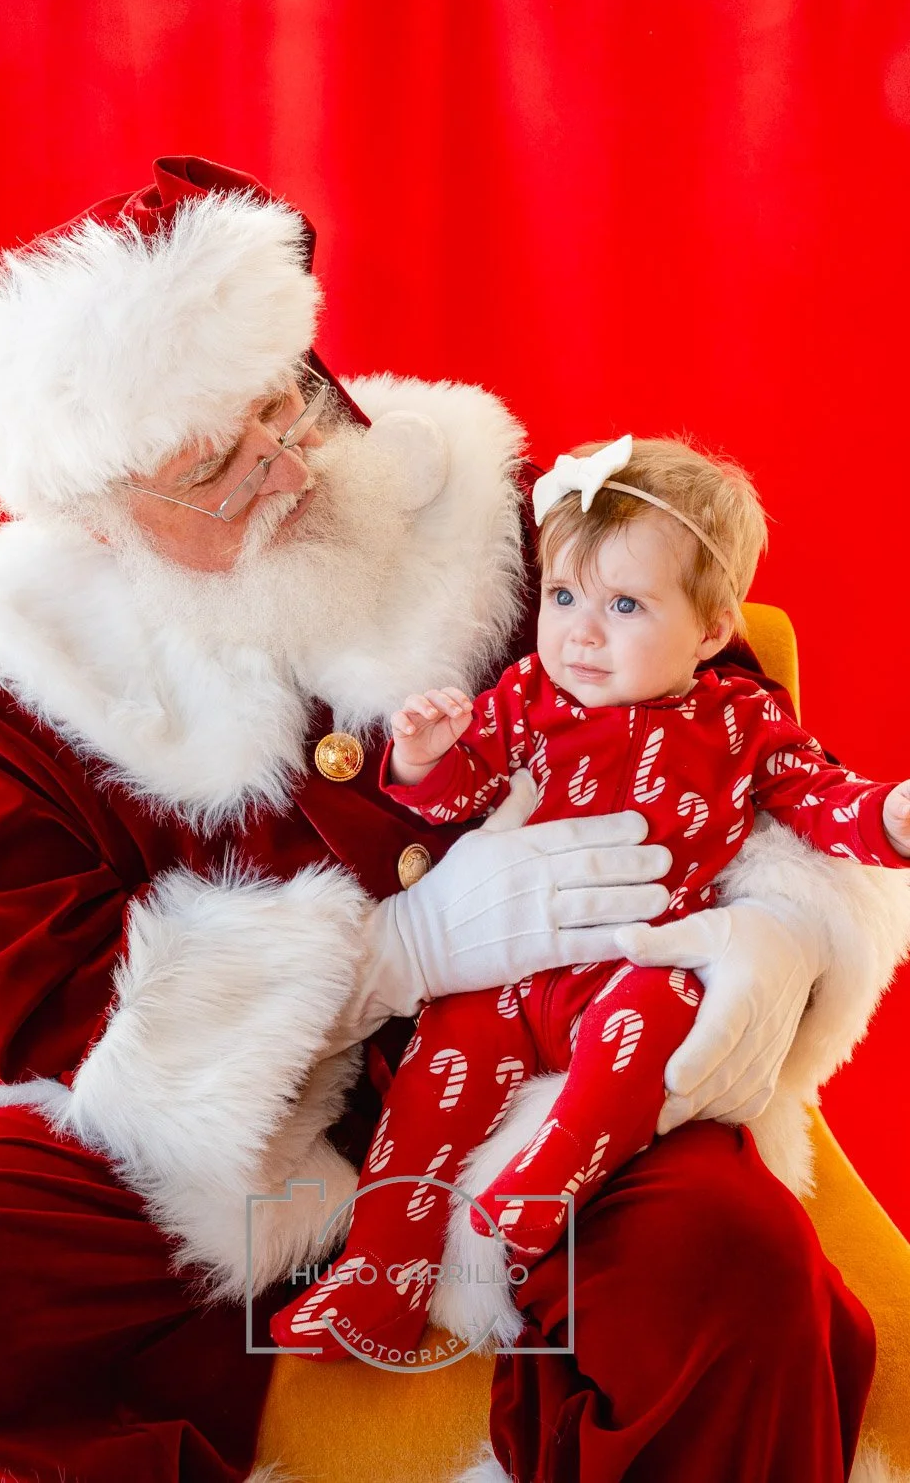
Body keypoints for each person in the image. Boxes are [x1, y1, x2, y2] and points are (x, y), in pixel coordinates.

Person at [0, 156, 906, 1483]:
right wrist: (389, 955)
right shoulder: (7, 676)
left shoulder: (486, 509)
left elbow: (714, 699)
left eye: (288, 401)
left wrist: (776, 930)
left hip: (558, 1087)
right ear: (96, 520)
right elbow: (42, 994)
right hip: (235, 1151)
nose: (288, 466)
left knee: (723, 1264)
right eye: (216, 464)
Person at [271, 433, 910, 1365]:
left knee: (660, 1026)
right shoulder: (527, 696)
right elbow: (457, 796)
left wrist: (887, 817)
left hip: (637, 964)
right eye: (565, 598)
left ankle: (543, 1185)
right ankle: (380, 1279)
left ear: (711, 629)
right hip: (506, 967)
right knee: (431, 1090)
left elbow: (818, 799)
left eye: (625, 605)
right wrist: (424, 755)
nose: (581, 630)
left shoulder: (740, 722)